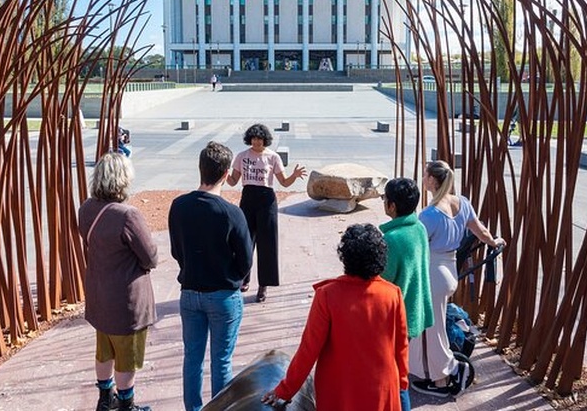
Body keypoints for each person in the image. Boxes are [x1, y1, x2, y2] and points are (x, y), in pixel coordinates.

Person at [261, 224, 409, 410]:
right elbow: (401, 347)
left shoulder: (327, 295)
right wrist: (402, 383)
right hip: (381, 390)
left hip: (339, 392)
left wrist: (284, 390)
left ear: (345, 257)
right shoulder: (393, 294)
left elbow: (309, 350)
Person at [169, 141, 253, 411]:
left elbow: (176, 249)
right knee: (222, 360)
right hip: (223, 293)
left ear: (200, 169)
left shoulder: (179, 206)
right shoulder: (232, 213)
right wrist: (236, 277)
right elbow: (246, 260)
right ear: (227, 174)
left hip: (190, 290)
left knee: (192, 358)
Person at [410, 160, 505, 397]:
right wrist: (494, 242)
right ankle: (424, 368)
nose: (423, 179)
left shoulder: (429, 214)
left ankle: (443, 378)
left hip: (433, 272)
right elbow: (480, 230)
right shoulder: (462, 203)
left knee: (433, 328)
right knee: (430, 325)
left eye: (425, 176)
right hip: (449, 271)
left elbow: (416, 247)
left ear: (432, 180)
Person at [78, 152, 157, 411]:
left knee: (104, 350)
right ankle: (127, 404)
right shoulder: (128, 215)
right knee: (128, 357)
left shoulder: (87, 208)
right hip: (126, 299)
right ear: (123, 179)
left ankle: (105, 399)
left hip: (99, 293)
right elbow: (150, 256)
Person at [226, 123, 306, 303]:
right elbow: (233, 181)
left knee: (267, 243)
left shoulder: (273, 157)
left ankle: (264, 285)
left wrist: (294, 175)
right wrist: (222, 174)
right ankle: (243, 277)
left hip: (266, 200)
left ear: (265, 140)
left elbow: (284, 183)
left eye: (259, 139)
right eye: (253, 138)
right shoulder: (242, 156)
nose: (256, 142)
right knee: (244, 241)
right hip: (247, 198)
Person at [379, 178, 434, 411]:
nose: (383, 202)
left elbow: (380, 283)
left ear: (392, 206)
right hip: (413, 310)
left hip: (395, 319)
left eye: (384, 198)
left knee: (395, 377)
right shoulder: (418, 227)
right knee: (398, 371)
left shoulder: (392, 239)